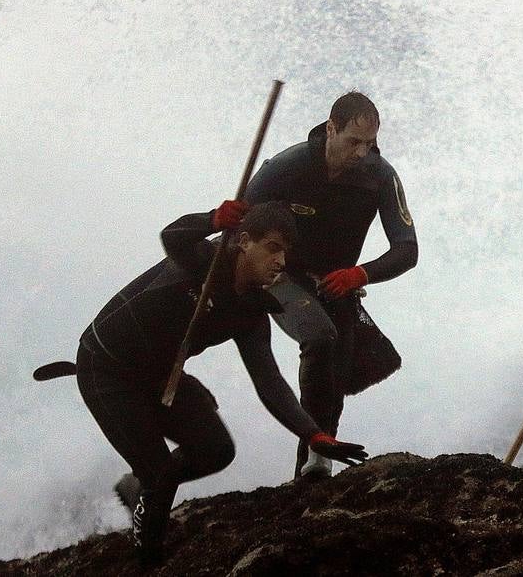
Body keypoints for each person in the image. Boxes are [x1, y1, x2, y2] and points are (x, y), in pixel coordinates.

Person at [69, 201, 368, 565]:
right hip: (106, 369)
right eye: (272, 248)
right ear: (244, 241)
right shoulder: (204, 263)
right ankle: (147, 554)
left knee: (216, 449)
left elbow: (269, 381)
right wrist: (211, 220)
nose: (280, 261)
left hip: (160, 375)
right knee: (159, 473)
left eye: (285, 253)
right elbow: (172, 236)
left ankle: (140, 487)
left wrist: (313, 433)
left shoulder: (251, 313)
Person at [244, 91, 417, 479]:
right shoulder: (288, 167)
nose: (361, 153)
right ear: (330, 129)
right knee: (320, 336)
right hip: (279, 273)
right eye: (353, 142)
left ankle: (314, 462)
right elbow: (241, 227)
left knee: (338, 360)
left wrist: (360, 274)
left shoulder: (380, 176)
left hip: (335, 280)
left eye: (369, 144)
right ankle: (316, 455)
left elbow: (407, 250)